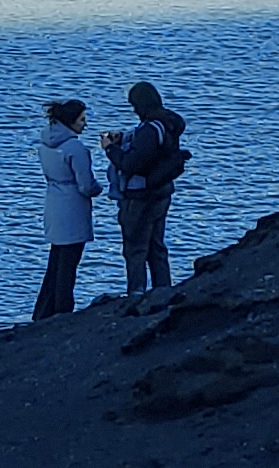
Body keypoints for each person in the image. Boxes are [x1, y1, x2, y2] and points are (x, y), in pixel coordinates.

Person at [106, 79, 188, 300]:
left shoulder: (150, 129)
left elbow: (130, 164)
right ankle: (164, 290)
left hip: (140, 195)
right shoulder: (168, 124)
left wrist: (111, 149)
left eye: (134, 105)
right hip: (162, 191)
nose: (134, 110)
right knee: (156, 246)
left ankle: (136, 293)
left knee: (135, 248)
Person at [29, 97, 100, 319]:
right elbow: (86, 185)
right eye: (82, 120)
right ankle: (62, 312)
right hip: (73, 209)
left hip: (53, 204)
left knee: (55, 263)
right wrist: (100, 188)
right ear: (71, 121)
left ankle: (43, 312)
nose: (85, 124)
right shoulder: (75, 148)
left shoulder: (45, 146)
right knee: (68, 266)